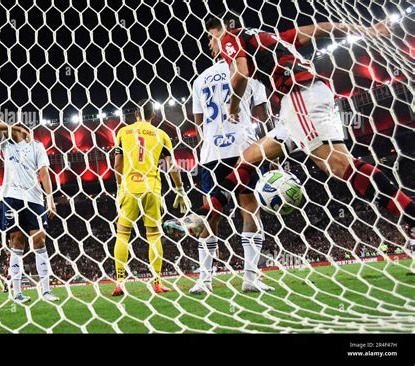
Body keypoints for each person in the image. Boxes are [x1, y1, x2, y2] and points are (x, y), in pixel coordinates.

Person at [165, 14, 415, 245]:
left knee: (336, 165)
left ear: (221, 30)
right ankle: (198, 217)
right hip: (309, 98)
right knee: (248, 159)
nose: (211, 43)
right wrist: (368, 31)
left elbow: (239, 74)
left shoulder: (230, 37)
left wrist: (233, 107)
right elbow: (320, 29)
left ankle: (409, 213)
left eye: (210, 36)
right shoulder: (270, 36)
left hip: (298, 97)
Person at [187, 53, 276, 294]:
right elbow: (262, 117)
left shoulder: (200, 79)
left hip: (211, 152)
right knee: (250, 209)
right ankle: (250, 278)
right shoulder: (249, 74)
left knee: (211, 216)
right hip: (244, 148)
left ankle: (204, 281)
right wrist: (269, 149)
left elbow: (198, 125)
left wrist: (202, 154)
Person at [112, 99, 189, 296]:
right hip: (152, 189)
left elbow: (118, 165)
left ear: (135, 114)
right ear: (153, 116)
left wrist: (120, 187)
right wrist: (180, 190)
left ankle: (120, 282)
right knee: (154, 235)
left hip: (130, 187)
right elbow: (172, 167)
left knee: (122, 234)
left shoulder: (123, 132)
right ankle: (156, 282)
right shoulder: (162, 135)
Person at [0, 120, 58, 303]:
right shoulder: (6, 144)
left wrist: (50, 199)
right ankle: (17, 293)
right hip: (12, 197)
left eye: (16, 130)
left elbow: (44, 173)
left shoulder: (37, 146)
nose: (10, 132)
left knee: (40, 240)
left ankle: (46, 291)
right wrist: (15, 128)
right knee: (17, 243)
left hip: (35, 199)